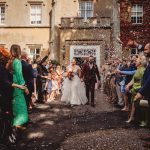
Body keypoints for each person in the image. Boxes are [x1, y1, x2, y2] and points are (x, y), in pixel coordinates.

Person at [10, 44, 29, 130]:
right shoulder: (17, 61)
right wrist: (25, 87)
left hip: (14, 85)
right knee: (21, 106)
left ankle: (15, 123)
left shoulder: (12, 61)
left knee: (16, 105)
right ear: (18, 51)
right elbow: (19, 75)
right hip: (18, 86)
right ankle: (16, 124)